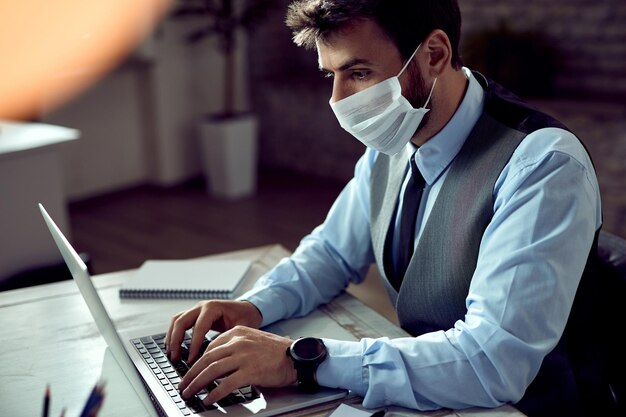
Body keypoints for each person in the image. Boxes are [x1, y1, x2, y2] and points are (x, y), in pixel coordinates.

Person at [165, 1, 610, 416]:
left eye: (358, 72)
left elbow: (492, 362)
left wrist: (300, 359)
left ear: (434, 53)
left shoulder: (543, 166)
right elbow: (332, 253)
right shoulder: (400, 130)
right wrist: (254, 307)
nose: (338, 101)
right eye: (330, 75)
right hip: (427, 395)